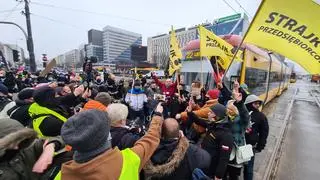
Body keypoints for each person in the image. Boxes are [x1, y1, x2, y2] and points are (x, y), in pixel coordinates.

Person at [60, 104, 164, 180]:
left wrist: (54, 143)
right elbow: (151, 138)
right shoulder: (128, 160)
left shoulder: (61, 174)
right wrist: (158, 115)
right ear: (106, 136)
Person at [144, 118, 211, 180]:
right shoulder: (193, 152)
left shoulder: (148, 151)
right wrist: (184, 139)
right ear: (179, 133)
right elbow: (206, 158)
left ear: (161, 134)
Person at [0, 118, 66, 179]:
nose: (16, 147)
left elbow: (64, 139)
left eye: (19, 140)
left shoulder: (25, 148)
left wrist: (51, 146)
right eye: (11, 142)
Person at [187, 103, 234, 179]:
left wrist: (218, 176)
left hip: (212, 170)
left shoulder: (226, 135)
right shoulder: (214, 125)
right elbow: (199, 121)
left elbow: (224, 158)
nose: (208, 113)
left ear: (217, 116)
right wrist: (190, 113)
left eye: (211, 112)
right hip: (205, 165)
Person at [243, 95, 269, 180]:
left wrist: (261, 145)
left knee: (248, 168)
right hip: (239, 144)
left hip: (248, 146)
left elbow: (264, 133)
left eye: (258, 104)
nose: (258, 105)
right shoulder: (242, 113)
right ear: (249, 104)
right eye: (255, 103)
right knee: (242, 167)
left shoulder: (261, 116)